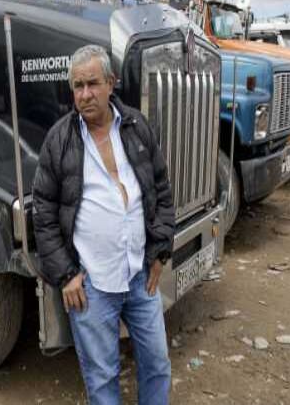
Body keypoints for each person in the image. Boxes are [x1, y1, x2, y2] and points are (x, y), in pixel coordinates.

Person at [32, 44, 175, 405]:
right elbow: (43, 213)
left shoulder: (136, 126)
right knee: (102, 378)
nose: (85, 95)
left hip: (140, 275)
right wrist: (66, 275)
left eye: (93, 83)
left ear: (111, 83)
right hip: (92, 285)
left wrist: (160, 249)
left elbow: (160, 188)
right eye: (78, 86)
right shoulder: (60, 140)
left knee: (157, 364)